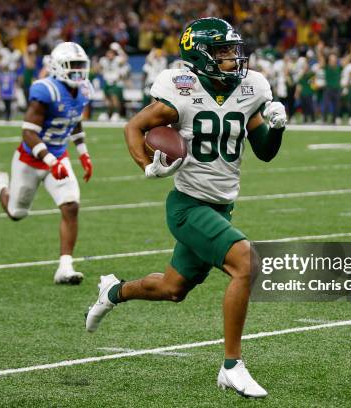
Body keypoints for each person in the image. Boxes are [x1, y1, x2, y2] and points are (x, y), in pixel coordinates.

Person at [85, 18, 287, 398]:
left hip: (221, 207)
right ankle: (232, 366)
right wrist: (147, 164)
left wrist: (275, 128)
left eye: (233, 50)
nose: (233, 57)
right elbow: (133, 127)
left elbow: (264, 152)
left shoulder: (251, 88)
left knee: (172, 288)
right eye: (224, 51)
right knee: (247, 262)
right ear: (202, 55)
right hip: (188, 206)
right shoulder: (179, 89)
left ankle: (113, 291)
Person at [0, 42, 94, 285]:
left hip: (57, 157)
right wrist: (49, 160)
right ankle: (1, 188)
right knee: (17, 213)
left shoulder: (84, 90)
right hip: (30, 160)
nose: (78, 71)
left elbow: (74, 119)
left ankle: (65, 266)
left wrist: (83, 153)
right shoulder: (45, 90)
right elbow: (28, 132)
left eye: (81, 66)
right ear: (57, 67)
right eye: (73, 66)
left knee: (71, 206)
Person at [97, 43, 129, 122]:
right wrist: (101, 71)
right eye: (108, 53)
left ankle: (116, 113)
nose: (109, 55)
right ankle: (108, 114)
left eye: (111, 53)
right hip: (107, 82)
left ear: (114, 54)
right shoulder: (103, 60)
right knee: (107, 100)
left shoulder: (117, 59)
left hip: (115, 82)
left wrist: (119, 49)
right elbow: (98, 69)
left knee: (115, 99)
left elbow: (125, 58)